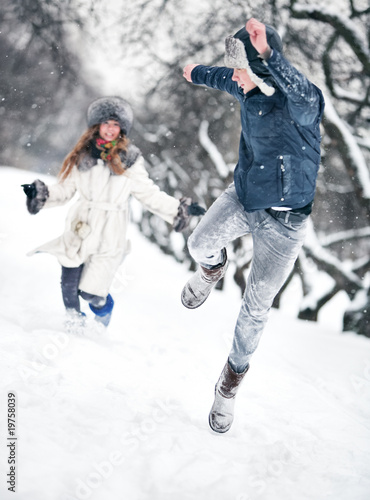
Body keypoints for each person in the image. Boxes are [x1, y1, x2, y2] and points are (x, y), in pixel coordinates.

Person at [181, 18, 325, 433]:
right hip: (246, 199)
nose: (236, 79)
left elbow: (301, 90)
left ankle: (229, 384)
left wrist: (268, 55)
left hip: (287, 225)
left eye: (243, 70)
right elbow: (223, 76)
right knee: (199, 243)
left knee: (256, 307)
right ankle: (212, 267)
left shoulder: (301, 104)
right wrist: (195, 74)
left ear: (262, 70)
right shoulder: (246, 90)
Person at [22, 96, 205, 328]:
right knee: (69, 280)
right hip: (80, 226)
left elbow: (148, 193)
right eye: (106, 123)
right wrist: (41, 193)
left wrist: (180, 209)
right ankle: (73, 323)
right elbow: (66, 190)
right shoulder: (82, 156)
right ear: (96, 126)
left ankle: (102, 317)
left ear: (122, 129)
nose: (110, 129)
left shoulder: (130, 159)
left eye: (115, 124)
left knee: (91, 292)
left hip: (110, 232)